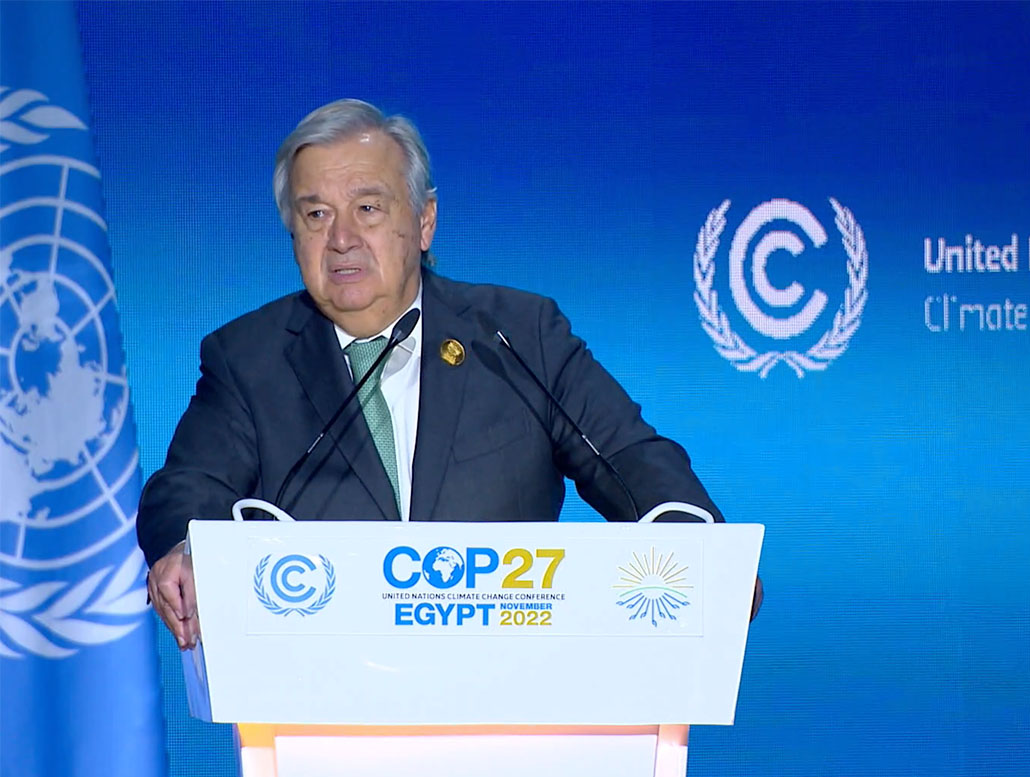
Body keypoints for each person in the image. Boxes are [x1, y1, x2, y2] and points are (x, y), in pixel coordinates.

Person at [138, 98, 757, 649]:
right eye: (317, 216)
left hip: (514, 688)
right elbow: (188, 485)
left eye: (369, 208)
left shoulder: (517, 335)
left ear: (425, 221)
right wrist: (186, 548)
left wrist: (702, 554)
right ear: (292, 232)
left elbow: (627, 455)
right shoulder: (249, 357)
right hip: (324, 701)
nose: (343, 239)